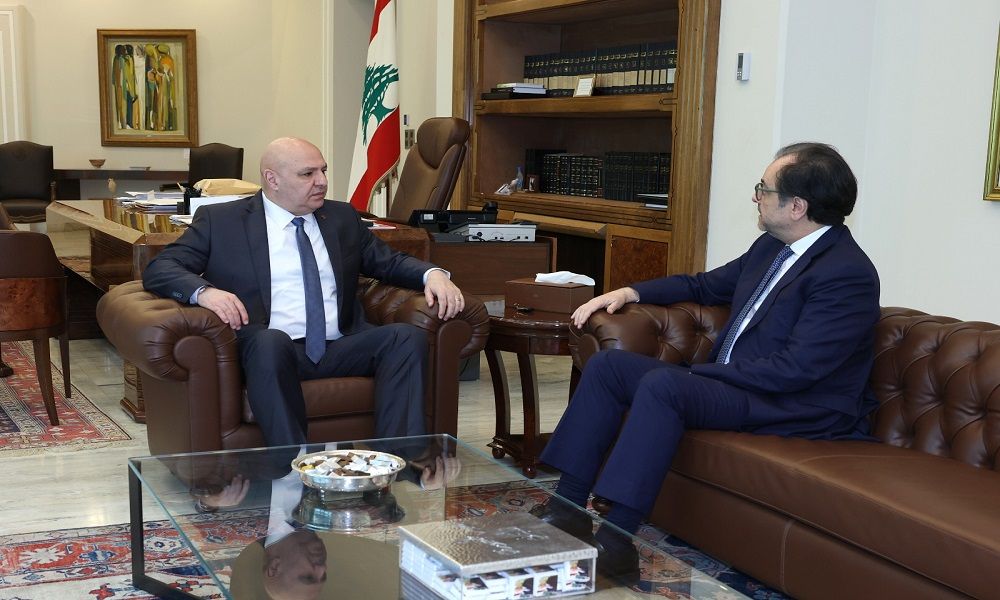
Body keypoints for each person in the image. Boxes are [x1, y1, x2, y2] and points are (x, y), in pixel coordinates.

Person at [532, 142, 880, 580]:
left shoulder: (846, 273)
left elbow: (797, 370)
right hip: (739, 385)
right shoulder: (771, 248)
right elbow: (703, 286)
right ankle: (567, 507)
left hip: (794, 403)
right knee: (608, 367)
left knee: (665, 385)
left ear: (797, 207)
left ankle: (618, 540)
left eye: (764, 189)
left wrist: (703, 374)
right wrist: (630, 291)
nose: (755, 196)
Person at [143, 137, 465, 447]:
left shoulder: (341, 217)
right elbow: (162, 267)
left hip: (339, 344)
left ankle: (400, 460)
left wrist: (432, 274)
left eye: (323, 170)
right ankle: (292, 464)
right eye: (307, 173)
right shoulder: (223, 221)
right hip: (270, 347)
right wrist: (204, 292)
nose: (321, 181)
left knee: (405, 338)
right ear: (273, 179)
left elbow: (388, 262)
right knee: (270, 342)